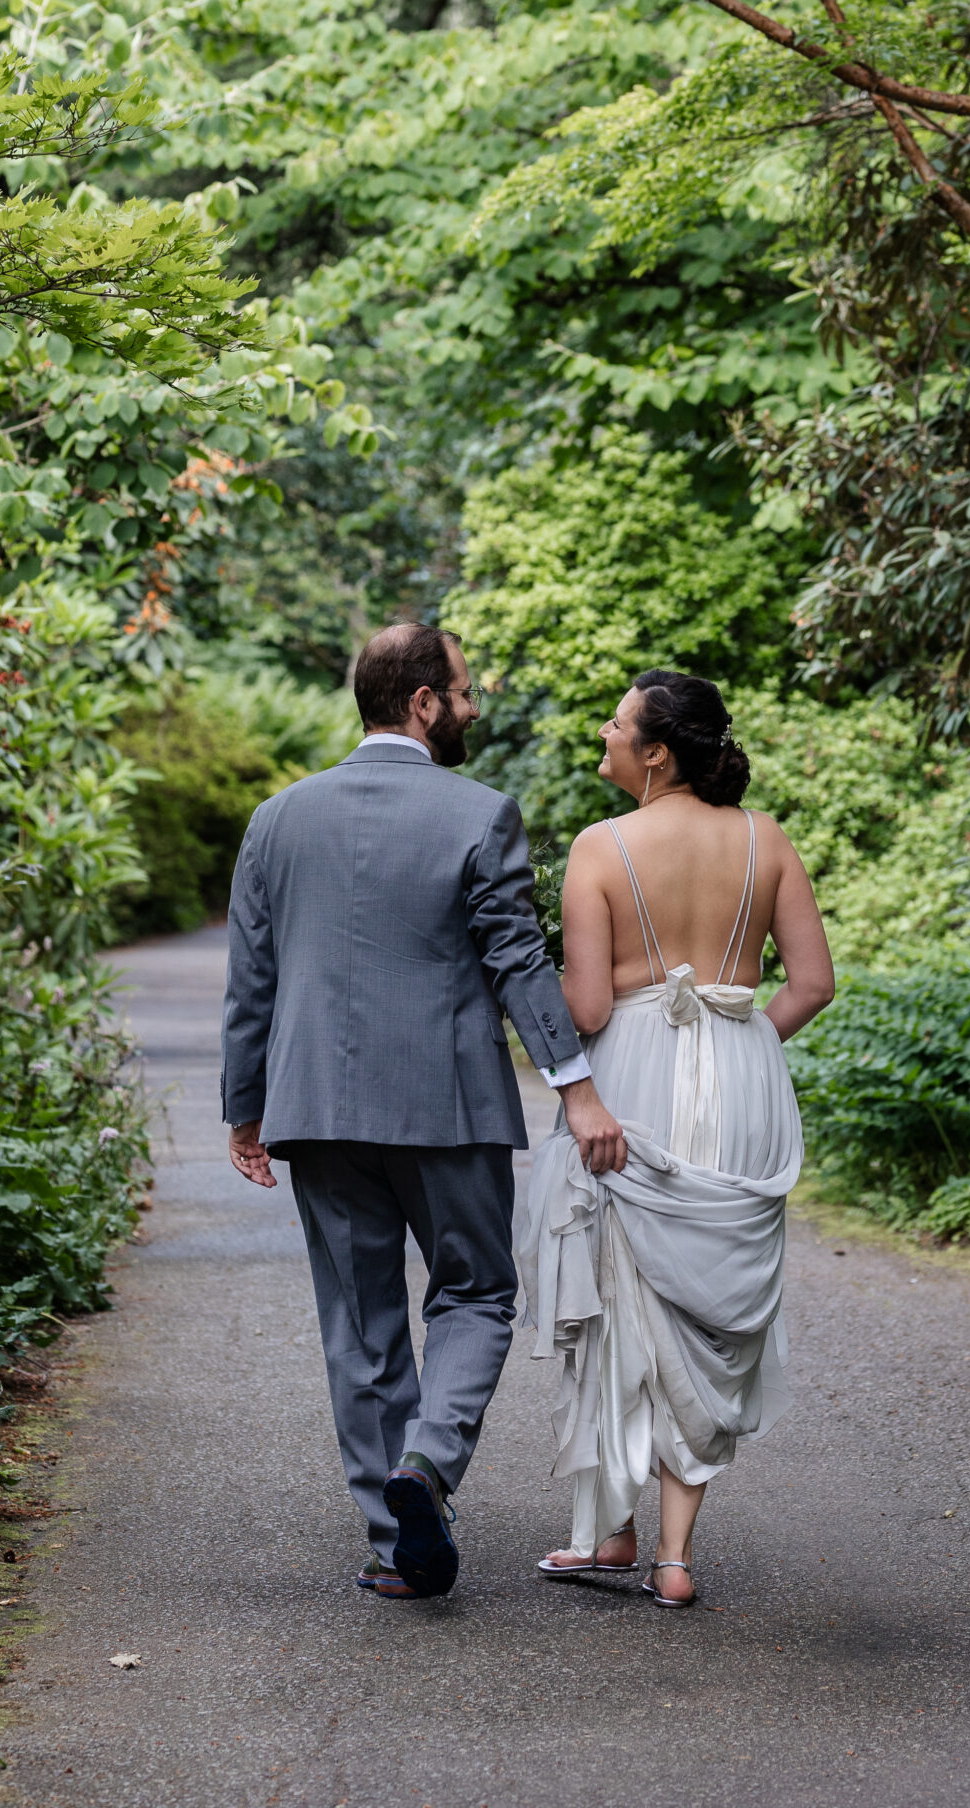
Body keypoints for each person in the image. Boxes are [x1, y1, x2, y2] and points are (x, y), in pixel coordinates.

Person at [222, 621, 626, 1601]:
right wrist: (576, 1088)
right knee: (477, 1295)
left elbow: (253, 980)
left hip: (315, 1107)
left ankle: (395, 1540)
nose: (475, 706)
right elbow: (517, 960)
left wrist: (244, 1107)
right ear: (422, 703)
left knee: (361, 1325)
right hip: (448, 1106)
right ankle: (428, 1464)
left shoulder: (277, 819)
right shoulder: (480, 814)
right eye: (464, 689)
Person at [519, 668, 835, 1609]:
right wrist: (740, 1048)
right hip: (740, 1073)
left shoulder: (598, 847)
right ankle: (672, 1556)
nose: (604, 735)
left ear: (656, 752)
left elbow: (582, 1004)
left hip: (629, 1073)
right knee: (709, 1309)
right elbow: (811, 982)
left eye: (617, 726)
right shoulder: (764, 839)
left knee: (616, 1292)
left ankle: (610, 1536)